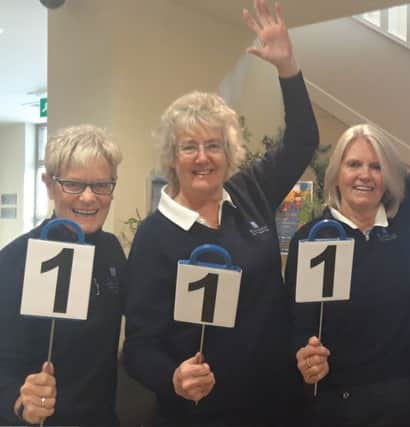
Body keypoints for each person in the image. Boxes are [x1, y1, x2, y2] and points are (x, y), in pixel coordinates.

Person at [122, 1, 319, 425]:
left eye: (213, 145)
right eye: (189, 146)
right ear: (172, 158)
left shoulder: (250, 191)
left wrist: (288, 67)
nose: (203, 157)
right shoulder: (155, 236)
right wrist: (172, 376)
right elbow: (138, 347)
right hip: (200, 413)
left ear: (229, 153)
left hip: (277, 403)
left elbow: (303, 140)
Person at [285, 9, 410, 427]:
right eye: (353, 165)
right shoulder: (312, 239)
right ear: (337, 173)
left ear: (387, 177)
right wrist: (302, 355)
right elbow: (298, 324)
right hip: (338, 403)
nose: (364, 175)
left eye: (375, 165)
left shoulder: (403, 218)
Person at [0, 125, 125, 426]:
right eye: (73, 184)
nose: (88, 198)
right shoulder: (13, 261)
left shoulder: (111, 251)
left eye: (101, 185)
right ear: (49, 184)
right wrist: (18, 402)